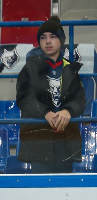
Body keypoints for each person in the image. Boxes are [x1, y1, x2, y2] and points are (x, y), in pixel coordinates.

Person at [16, 16, 85, 173]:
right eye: (43, 37)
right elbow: (24, 98)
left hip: (65, 142)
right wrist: (45, 113)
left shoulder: (71, 69)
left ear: (61, 41)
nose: (48, 41)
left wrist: (68, 111)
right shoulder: (29, 68)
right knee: (40, 192)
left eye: (53, 37)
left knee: (63, 192)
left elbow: (80, 99)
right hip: (39, 141)